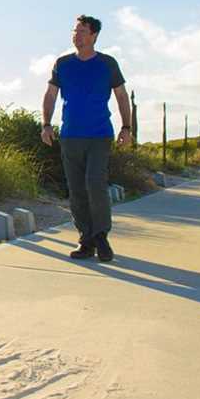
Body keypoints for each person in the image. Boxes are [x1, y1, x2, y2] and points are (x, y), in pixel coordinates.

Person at [40, 15, 131, 262]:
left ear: (94, 36)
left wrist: (126, 127)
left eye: (82, 31)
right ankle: (86, 240)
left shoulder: (107, 64)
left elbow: (122, 96)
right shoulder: (63, 64)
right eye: (75, 30)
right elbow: (50, 95)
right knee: (77, 190)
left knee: (95, 185)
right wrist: (46, 124)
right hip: (70, 136)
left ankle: (101, 236)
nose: (76, 35)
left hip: (100, 135)